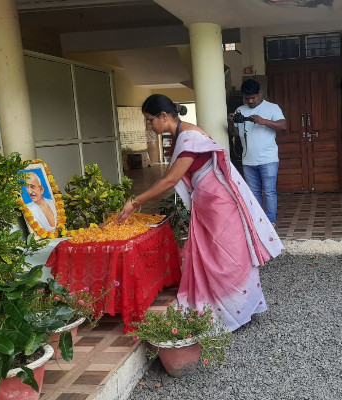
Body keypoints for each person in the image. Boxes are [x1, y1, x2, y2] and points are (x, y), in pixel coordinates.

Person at [118, 94, 284, 332]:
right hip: (207, 201)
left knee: (226, 255)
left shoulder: (190, 137)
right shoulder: (182, 135)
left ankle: (234, 309)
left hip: (218, 204)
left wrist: (135, 202)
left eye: (149, 120)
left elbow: (171, 179)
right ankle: (223, 306)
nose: (148, 126)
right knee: (213, 253)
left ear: (163, 116)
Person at [228, 79, 287, 226]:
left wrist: (264, 121)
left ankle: (270, 222)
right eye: (247, 98)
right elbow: (235, 133)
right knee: (254, 194)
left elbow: (284, 126)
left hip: (268, 159)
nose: (250, 101)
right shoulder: (239, 110)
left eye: (253, 97)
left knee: (269, 192)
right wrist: (230, 121)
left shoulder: (272, 108)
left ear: (260, 94)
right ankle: (259, 222)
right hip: (248, 160)